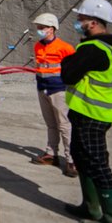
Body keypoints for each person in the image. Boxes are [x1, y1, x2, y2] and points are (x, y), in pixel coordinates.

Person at [60, 0, 112, 223]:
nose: (78, 23)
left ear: (93, 23)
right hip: (97, 112)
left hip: (91, 114)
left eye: (81, 19)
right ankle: (90, 206)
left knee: (97, 163)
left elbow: (68, 74)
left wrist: (67, 59)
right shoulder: (110, 47)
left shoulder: (92, 48)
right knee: (81, 156)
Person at [30, 13, 77, 177]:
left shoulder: (65, 48)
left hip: (59, 90)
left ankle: (72, 160)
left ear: (51, 29)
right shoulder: (37, 46)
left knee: (64, 125)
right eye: (38, 28)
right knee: (50, 123)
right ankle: (51, 154)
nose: (39, 30)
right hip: (42, 88)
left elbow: (72, 70)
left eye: (42, 27)